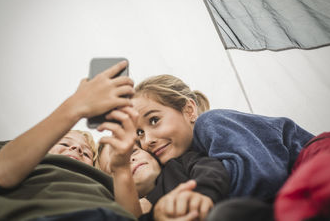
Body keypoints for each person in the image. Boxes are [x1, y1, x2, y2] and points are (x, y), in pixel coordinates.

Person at [0, 61, 142, 221]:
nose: (76, 148)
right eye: (65, 143)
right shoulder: (12, 155)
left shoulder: (104, 181)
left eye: (87, 153)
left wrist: (121, 168)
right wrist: (75, 106)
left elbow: (133, 218)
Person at [132, 74, 315, 201]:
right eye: (139, 133)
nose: (147, 140)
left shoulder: (211, 122)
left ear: (189, 110)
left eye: (154, 120)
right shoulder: (185, 163)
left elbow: (261, 177)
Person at [96, 141, 230, 220]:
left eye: (133, 151)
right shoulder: (137, 212)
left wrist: (202, 193)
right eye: (117, 165)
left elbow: (210, 168)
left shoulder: (180, 163)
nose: (129, 160)